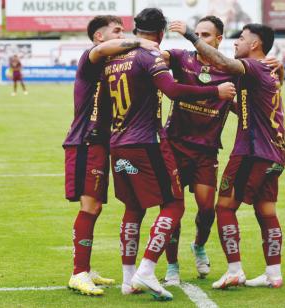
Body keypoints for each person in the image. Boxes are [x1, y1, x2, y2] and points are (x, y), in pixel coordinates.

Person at [100, 8, 236, 301]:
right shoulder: (151, 57)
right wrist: (214, 92)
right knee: (173, 205)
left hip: (118, 142)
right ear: (161, 32)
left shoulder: (113, 59)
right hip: (148, 142)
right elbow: (172, 90)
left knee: (133, 209)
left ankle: (128, 279)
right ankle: (149, 269)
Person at [158, 15, 284, 286]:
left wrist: (189, 33)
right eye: (198, 34)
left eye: (206, 35)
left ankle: (210, 253)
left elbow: (242, 87)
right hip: (177, 145)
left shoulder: (235, 68)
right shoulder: (182, 58)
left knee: (213, 209)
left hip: (225, 151)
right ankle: (172, 266)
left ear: (218, 40)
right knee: (174, 208)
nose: (200, 39)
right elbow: (156, 58)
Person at [62, 15, 159, 296]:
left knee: (96, 207)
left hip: (103, 144)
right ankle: (78, 273)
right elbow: (103, 51)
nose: (123, 34)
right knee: (89, 206)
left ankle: (85, 268)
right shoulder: (91, 56)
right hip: (85, 142)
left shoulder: (117, 64)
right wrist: (141, 40)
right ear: (99, 37)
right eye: (117, 31)